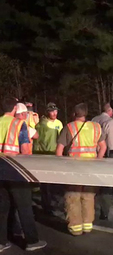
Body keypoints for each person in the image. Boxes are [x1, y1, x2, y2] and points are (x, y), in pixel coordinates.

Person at [0, 97, 47, 251]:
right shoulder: (19, 124)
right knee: (24, 206)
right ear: (14, 109)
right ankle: (32, 241)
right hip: (15, 170)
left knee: (2, 206)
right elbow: (26, 151)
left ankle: (1, 242)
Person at [56, 103, 106, 236]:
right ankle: (88, 225)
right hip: (91, 167)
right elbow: (103, 147)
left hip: (74, 167)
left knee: (73, 196)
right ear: (86, 114)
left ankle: (75, 227)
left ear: (74, 113)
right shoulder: (96, 127)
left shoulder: (69, 127)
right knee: (89, 196)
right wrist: (98, 160)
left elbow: (59, 150)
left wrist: (61, 167)